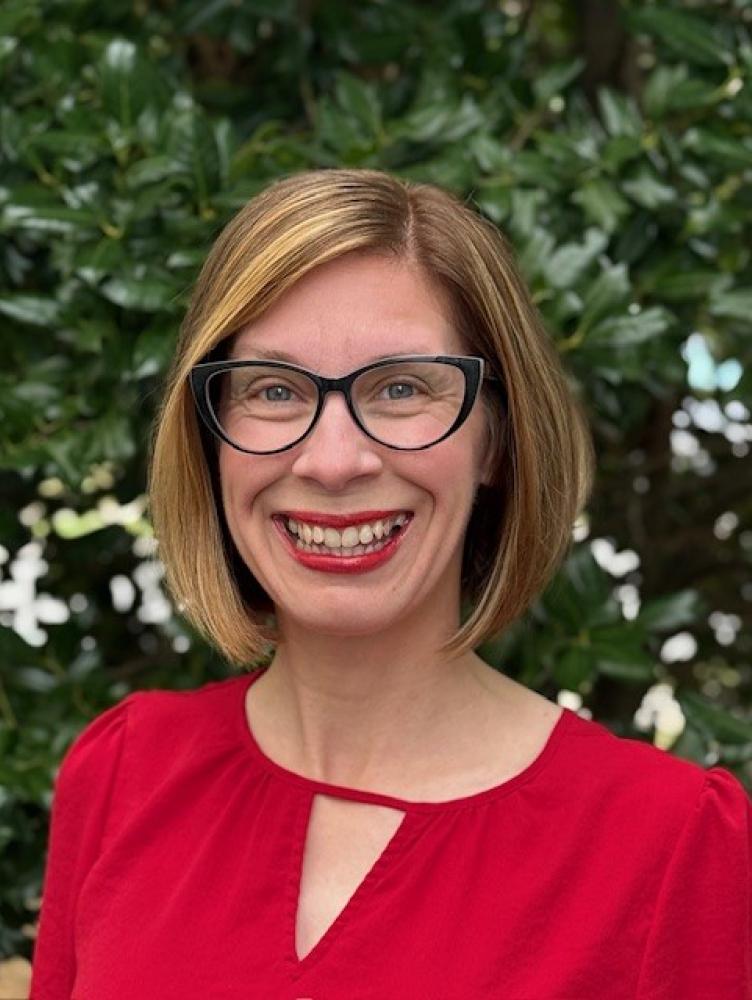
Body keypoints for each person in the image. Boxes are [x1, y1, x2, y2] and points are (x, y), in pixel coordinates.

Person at [30, 169, 750, 1000]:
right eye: (273, 390)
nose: (334, 461)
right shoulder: (124, 772)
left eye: (402, 387)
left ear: (496, 441)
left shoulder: (666, 842)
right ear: (211, 441)